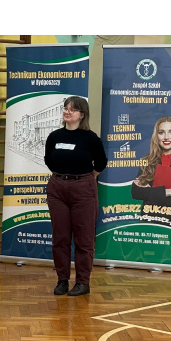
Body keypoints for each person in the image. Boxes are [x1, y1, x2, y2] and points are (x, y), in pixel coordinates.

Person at [44, 96, 108, 297]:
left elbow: (101, 163)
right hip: (57, 189)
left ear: (82, 114)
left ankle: (82, 282)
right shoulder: (54, 136)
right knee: (60, 238)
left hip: (83, 189)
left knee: (83, 239)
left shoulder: (90, 138)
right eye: (66, 108)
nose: (67, 112)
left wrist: (84, 178)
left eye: (72, 109)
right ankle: (62, 280)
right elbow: (48, 160)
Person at [131, 116, 171, 231]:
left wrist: (151, 192)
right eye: (161, 132)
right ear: (156, 136)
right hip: (151, 219)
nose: (166, 137)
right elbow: (136, 192)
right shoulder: (147, 161)